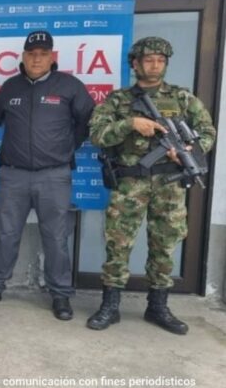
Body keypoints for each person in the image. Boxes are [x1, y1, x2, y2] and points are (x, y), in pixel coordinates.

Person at [86, 37, 215, 334]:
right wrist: (130, 124)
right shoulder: (118, 101)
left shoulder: (182, 98)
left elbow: (207, 131)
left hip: (170, 183)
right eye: (148, 60)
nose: (155, 65)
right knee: (118, 244)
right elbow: (96, 134)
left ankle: (158, 306)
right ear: (135, 63)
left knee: (164, 246)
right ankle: (110, 306)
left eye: (160, 60)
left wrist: (187, 151)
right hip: (130, 183)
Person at [0, 30, 95, 320]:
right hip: (14, 176)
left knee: (56, 238)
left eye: (43, 54)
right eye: (32, 54)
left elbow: (89, 120)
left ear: (52, 57)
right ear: (23, 57)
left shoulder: (70, 86)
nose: (37, 59)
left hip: (54, 177)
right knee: (6, 235)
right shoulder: (11, 87)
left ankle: (60, 295)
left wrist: (66, 147)